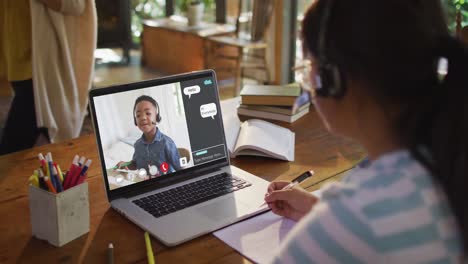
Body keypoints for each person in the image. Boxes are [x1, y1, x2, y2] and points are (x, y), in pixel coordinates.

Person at [264, 0, 467, 262]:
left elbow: (368, 222)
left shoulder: (357, 215)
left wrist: (335, 223)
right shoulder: (446, 159)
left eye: (308, 67)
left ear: (333, 78)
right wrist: (320, 211)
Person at [0, 0, 96, 155]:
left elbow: (76, 5)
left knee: (12, 146)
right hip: (15, 57)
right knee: (35, 134)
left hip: (40, 65)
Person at [116, 95, 181, 177]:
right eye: (138, 115)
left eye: (148, 113)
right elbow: (136, 164)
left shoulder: (167, 143)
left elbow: (180, 169)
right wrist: (126, 164)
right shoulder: (137, 144)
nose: (143, 117)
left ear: (157, 117)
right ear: (135, 121)